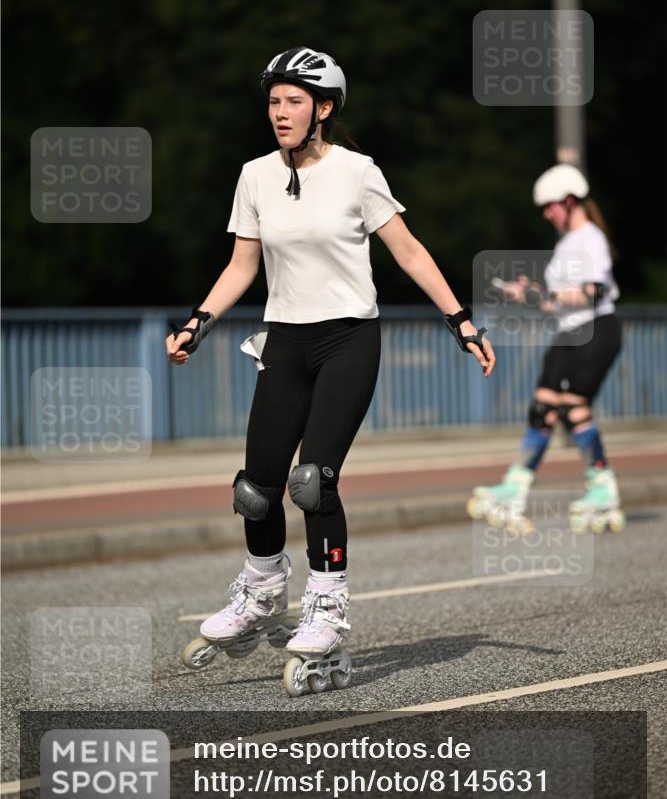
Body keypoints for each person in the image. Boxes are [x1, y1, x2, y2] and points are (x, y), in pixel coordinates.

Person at [168, 46, 495, 695]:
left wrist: (460, 320)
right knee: (254, 488)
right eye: (272, 101)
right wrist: (196, 323)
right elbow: (242, 266)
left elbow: (407, 250)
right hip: (284, 340)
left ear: (323, 109)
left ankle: (325, 604)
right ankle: (261, 593)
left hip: (348, 338)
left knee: (312, 480)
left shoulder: (357, 172)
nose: (279, 113)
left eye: (292, 102)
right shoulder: (255, 176)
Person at [467, 163, 625, 534]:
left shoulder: (590, 238)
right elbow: (559, 302)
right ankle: (515, 488)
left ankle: (603, 488)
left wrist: (542, 292)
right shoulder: (567, 242)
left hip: (596, 331)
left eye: (551, 205)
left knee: (573, 408)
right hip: (569, 332)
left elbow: (594, 292)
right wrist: (529, 294)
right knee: (543, 407)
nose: (546, 212)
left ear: (570, 201)